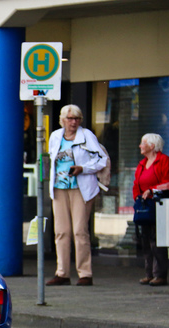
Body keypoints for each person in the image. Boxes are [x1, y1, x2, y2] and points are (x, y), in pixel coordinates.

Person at [46, 105, 108, 287]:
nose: (74, 122)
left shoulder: (87, 135)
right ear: (63, 120)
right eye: (70, 118)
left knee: (80, 230)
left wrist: (83, 168)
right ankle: (62, 272)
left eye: (77, 119)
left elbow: (101, 159)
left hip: (81, 188)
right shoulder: (55, 136)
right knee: (61, 231)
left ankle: (85, 273)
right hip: (59, 187)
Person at [133, 133, 169, 287]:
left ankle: (159, 275)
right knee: (145, 241)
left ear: (151, 146)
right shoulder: (142, 164)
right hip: (144, 207)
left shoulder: (164, 161)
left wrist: (152, 190)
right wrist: (137, 199)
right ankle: (149, 273)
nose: (140, 146)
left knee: (157, 241)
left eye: (142, 143)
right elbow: (136, 184)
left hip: (159, 205)